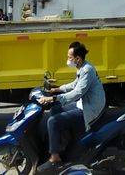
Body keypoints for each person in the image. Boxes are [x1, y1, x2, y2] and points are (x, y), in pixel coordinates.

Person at [37, 42, 105, 172]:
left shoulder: (87, 70)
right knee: (55, 109)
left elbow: (77, 92)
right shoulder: (83, 67)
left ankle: (55, 157)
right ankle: (59, 142)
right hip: (84, 103)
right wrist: (56, 89)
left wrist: (53, 98)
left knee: (53, 121)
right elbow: (75, 84)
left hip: (89, 109)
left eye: (69, 57)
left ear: (78, 58)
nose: (68, 60)